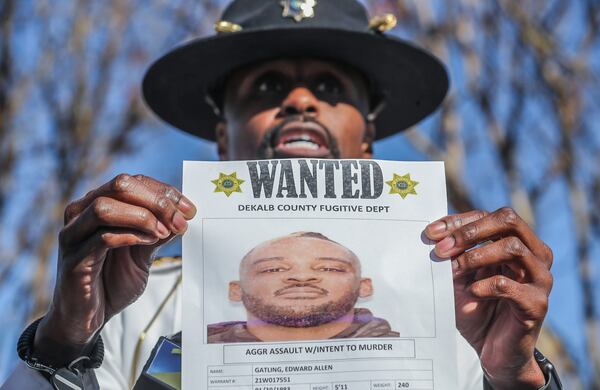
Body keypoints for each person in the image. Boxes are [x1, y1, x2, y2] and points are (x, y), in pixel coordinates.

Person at [2, 0, 560, 389]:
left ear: (367, 137)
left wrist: (515, 380)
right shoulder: (129, 301)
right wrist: (62, 345)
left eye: (329, 87)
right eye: (266, 87)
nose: (300, 101)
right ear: (222, 137)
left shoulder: (456, 308)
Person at [208, 231, 399, 343]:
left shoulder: (412, 356)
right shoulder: (187, 354)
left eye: (328, 268)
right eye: (273, 269)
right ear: (236, 290)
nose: (301, 277)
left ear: (364, 287)